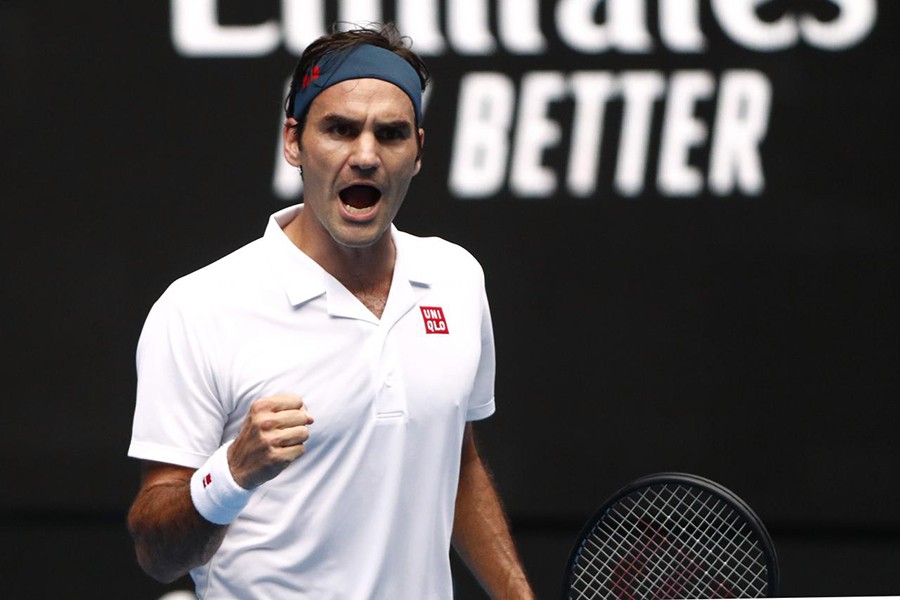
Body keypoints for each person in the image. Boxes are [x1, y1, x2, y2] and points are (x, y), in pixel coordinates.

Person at [126, 22, 535, 599]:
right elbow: (156, 553)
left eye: (390, 134)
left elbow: (456, 463)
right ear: (293, 141)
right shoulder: (198, 308)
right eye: (340, 129)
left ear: (418, 150)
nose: (365, 156)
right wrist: (233, 472)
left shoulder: (456, 278)